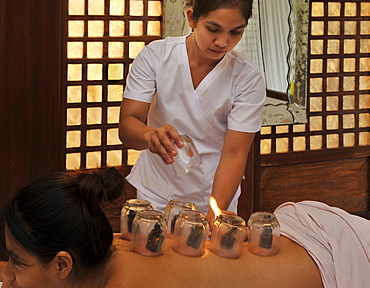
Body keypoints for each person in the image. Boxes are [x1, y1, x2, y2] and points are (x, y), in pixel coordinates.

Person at [1, 170, 370, 287]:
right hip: (296, 230)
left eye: (16, 263)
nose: (7, 274)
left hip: (336, 260)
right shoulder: (103, 242)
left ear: (63, 265)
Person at [118, 0, 266, 224]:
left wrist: (215, 214)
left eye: (236, 32)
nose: (222, 42)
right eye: (213, 29)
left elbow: (235, 153)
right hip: (157, 187)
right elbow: (128, 124)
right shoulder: (156, 57)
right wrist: (150, 136)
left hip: (213, 191)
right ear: (191, 18)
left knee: (206, 256)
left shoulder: (247, 77)